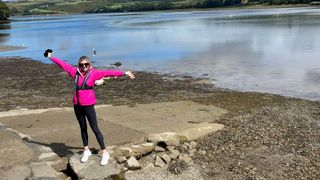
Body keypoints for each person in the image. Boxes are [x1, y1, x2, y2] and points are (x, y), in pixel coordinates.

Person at [43, 49, 135, 166]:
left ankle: (105, 153)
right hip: (77, 105)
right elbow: (63, 64)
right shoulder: (74, 72)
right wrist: (51, 57)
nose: (84, 66)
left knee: (95, 129)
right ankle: (86, 151)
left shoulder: (94, 73)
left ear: (89, 65)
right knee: (83, 128)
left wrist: (125, 73)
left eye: (86, 64)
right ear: (79, 65)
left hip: (88, 106)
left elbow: (109, 73)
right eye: (82, 65)